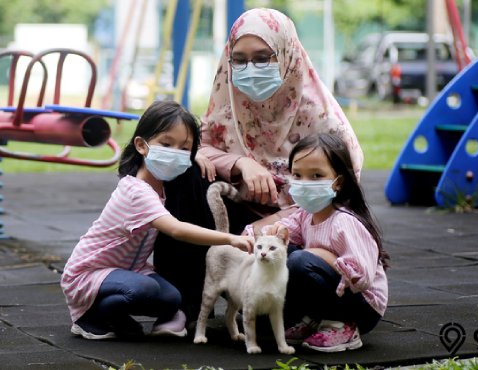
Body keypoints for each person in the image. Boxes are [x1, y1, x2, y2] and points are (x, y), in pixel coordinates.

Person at [154, 7, 364, 321]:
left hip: (296, 229)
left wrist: (279, 220)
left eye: (263, 57)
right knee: (184, 172)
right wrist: (240, 163)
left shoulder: (321, 119)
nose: (249, 68)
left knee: (287, 289)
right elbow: (200, 144)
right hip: (240, 215)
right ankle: (185, 304)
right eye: (239, 59)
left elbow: (344, 196)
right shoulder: (230, 97)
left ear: (287, 53)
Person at [60, 100, 254, 340]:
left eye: (184, 149)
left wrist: (195, 157)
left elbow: (187, 160)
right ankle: (90, 319)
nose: (175, 153)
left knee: (172, 297)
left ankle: (115, 316)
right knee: (145, 289)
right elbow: (177, 230)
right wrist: (230, 239)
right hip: (88, 273)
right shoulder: (136, 191)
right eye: (166, 144)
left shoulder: (160, 187)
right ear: (141, 145)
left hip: (129, 270)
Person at [249, 133, 389, 353]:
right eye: (298, 175)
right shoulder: (306, 214)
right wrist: (264, 234)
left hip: (363, 306)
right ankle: (315, 318)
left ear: (338, 183)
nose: (304, 184)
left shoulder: (344, 222)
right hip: (338, 290)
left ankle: (343, 325)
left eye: (316, 176)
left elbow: (361, 278)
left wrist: (318, 253)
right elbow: (282, 232)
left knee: (298, 260)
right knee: (281, 255)